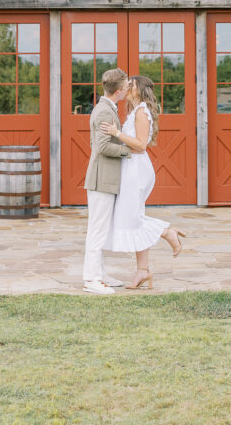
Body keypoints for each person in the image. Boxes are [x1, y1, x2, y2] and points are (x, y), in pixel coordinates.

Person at [100, 75, 185, 289]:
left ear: (140, 89)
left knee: (131, 219)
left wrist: (116, 133)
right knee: (133, 219)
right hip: (130, 168)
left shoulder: (142, 111)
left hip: (137, 170)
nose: (128, 85)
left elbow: (140, 145)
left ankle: (167, 232)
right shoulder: (134, 111)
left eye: (132, 84)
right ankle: (142, 271)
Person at [82, 67, 131, 295]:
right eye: (127, 85)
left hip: (106, 178)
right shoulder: (104, 111)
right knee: (97, 230)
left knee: (102, 228)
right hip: (101, 179)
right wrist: (128, 149)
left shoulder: (106, 108)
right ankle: (91, 279)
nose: (129, 88)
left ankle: (100, 273)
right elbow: (101, 147)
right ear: (119, 91)